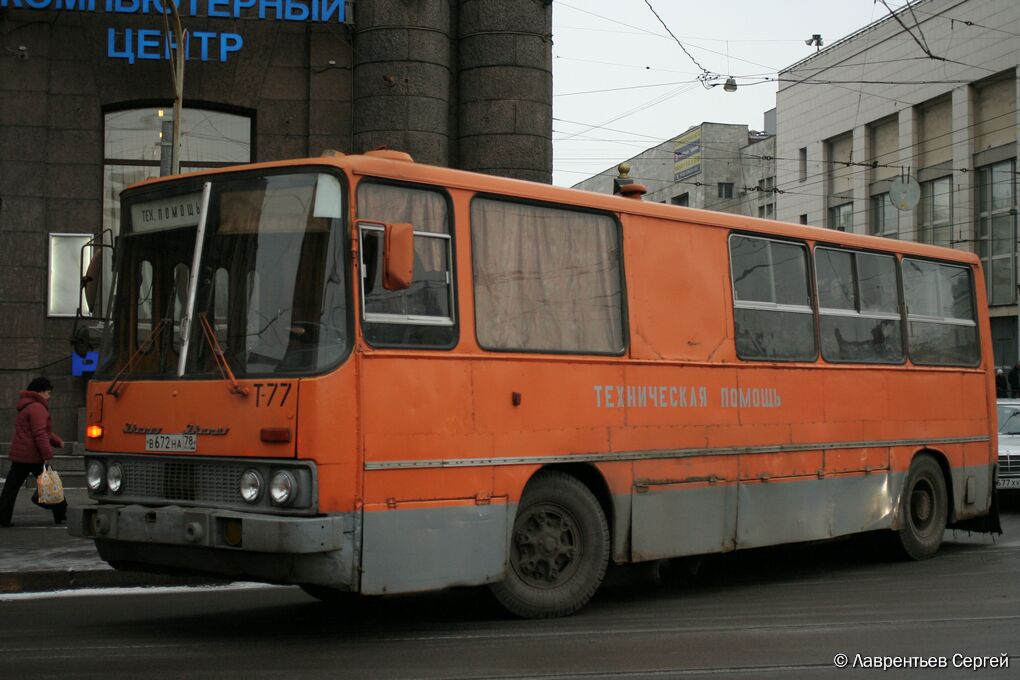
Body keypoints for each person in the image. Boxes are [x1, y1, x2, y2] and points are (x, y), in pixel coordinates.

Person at [0, 377, 67, 527]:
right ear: (40, 392)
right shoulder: (37, 408)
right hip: (34, 456)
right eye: (48, 393)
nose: (49, 397)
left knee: (10, 488)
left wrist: (56, 441)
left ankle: (2, 517)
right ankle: (61, 514)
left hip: (20, 455)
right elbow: (40, 433)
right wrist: (47, 454)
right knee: (53, 484)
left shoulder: (26, 406)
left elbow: (40, 432)